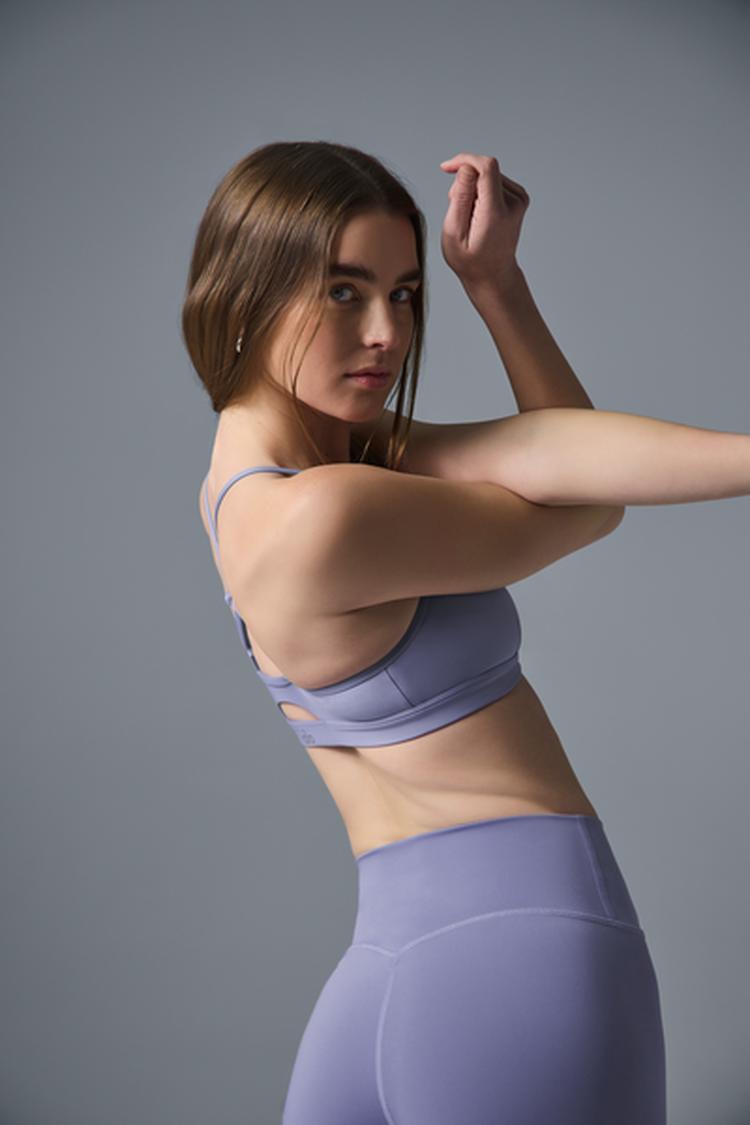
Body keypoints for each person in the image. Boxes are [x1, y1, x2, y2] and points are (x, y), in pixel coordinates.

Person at [183, 141, 748, 1123]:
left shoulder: (253, 488)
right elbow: (586, 496)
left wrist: (494, 283)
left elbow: (560, 456)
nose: (387, 333)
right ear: (245, 293)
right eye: (344, 292)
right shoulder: (326, 514)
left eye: (404, 294)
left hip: (430, 962)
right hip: (506, 950)